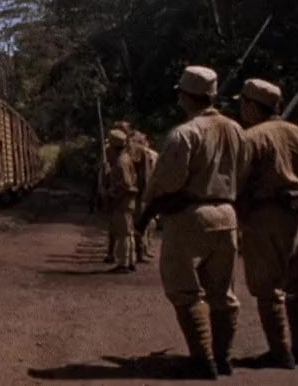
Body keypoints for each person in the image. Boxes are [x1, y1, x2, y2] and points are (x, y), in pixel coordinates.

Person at [138, 65, 244, 379]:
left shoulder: (184, 133)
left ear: (186, 96)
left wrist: (148, 208)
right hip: (227, 214)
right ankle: (223, 358)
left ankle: (203, 359)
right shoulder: (236, 130)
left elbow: (169, 181)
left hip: (190, 216)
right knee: (223, 292)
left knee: (185, 289)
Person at [234, 78, 298, 370]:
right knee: (297, 287)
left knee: (268, 289)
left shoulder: (252, 137)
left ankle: (280, 351)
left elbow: (238, 182)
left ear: (253, 106)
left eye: (244, 104)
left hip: (265, 216)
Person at [104, 129, 139, 273]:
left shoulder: (120, 162)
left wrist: (113, 195)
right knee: (128, 232)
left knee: (123, 233)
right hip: (127, 202)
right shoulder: (126, 158)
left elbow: (126, 184)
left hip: (122, 202)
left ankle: (123, 264)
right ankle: (131, 261)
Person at [131, 130, 160, 263]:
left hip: (143, 191)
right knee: (140, 222)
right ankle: (139, 250)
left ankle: (141, 249)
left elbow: (148, 175)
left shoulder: (145, 154)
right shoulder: (136, 153)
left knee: (145, 221)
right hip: (140, 191)